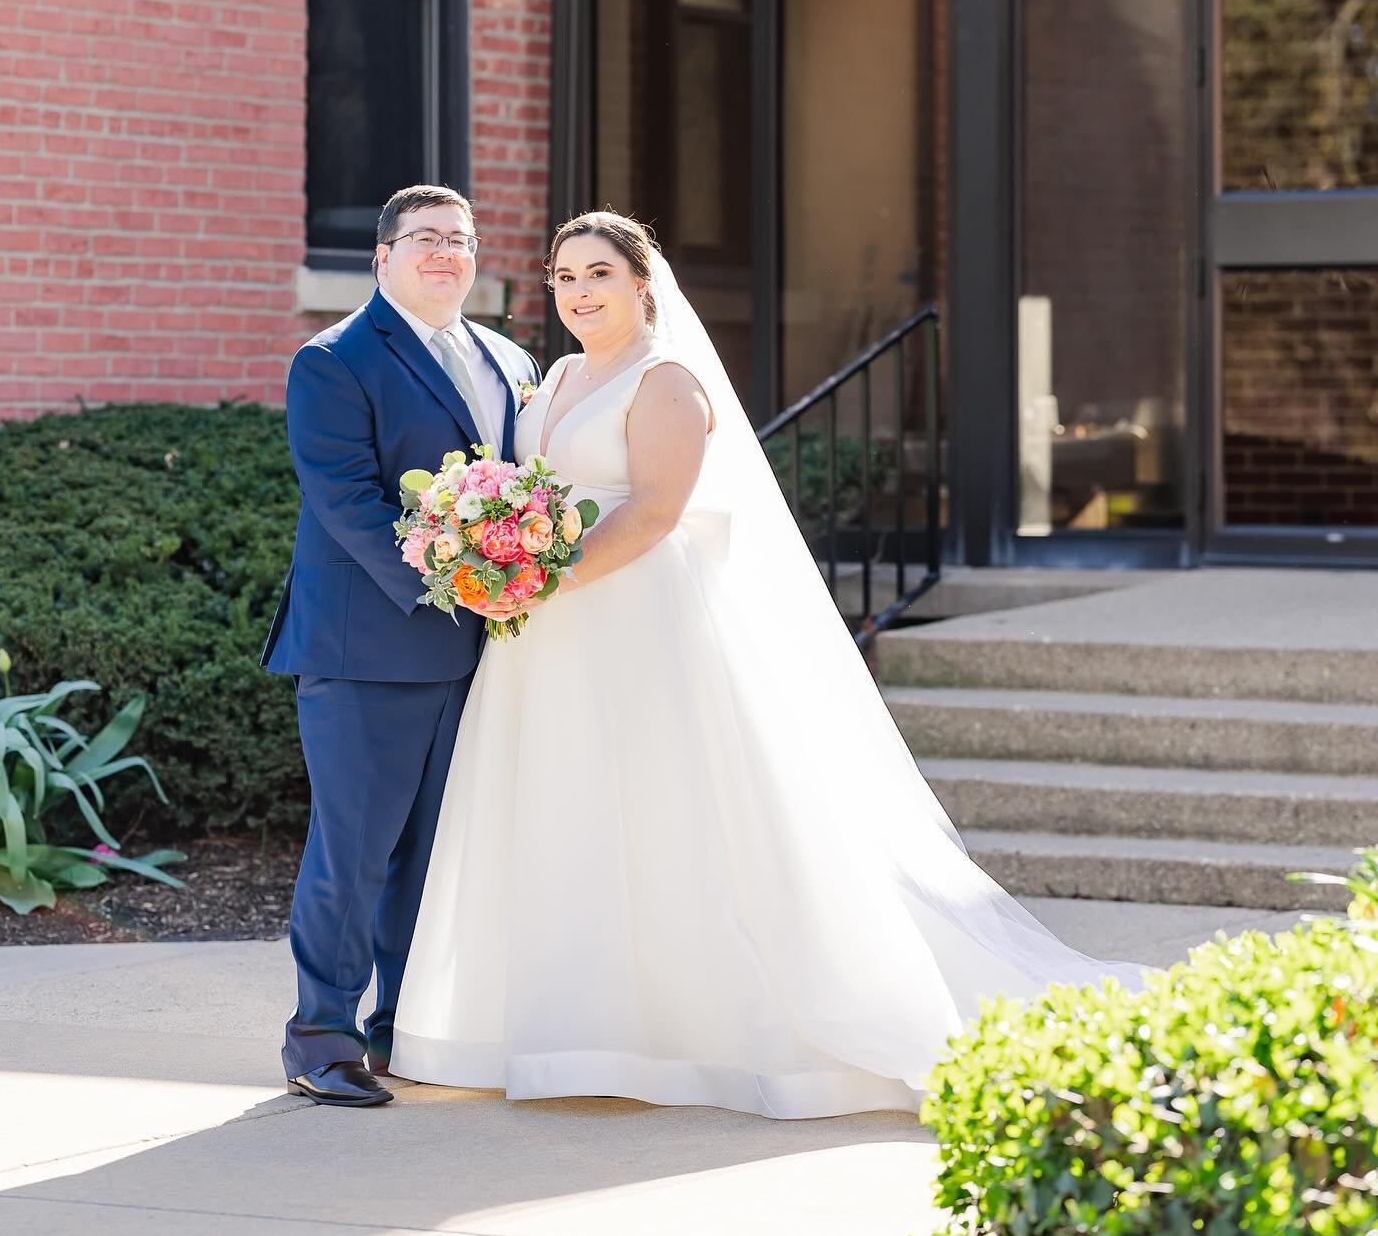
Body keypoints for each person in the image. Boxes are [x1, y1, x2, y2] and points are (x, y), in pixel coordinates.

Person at [388, 210, 1142, 1119]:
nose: (580, 292)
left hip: (632, 619)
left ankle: (681, 1035)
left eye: (599, 274)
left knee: (660, 810)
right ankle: (568, 1032)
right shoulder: (548, 382)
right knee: (564, 805)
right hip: (547, 640)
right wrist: (494, 564)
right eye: (564, 277)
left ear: (641, 283)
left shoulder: (668, 383)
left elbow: (655, 511)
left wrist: (542, 585)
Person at [263, 184, 539, 1108]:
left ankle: (401, 1027)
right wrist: (461, 582)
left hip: (481, 653)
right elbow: (346, 502)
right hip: (367, 648)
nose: (444, 253)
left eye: (459, 239)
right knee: (357, 850)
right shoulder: (334, 360)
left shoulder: (508, 358)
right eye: (423, 238)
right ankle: (321, 1036)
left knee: (434, 855)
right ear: (382, 257)